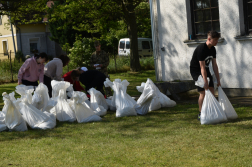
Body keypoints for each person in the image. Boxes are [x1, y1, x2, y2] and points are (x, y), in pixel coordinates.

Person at [189, 31, 221, 120]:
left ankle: (212, 111)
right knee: (203, 92)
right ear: (209, 39)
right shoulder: (201, 48)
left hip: (205, 69)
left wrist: (218, 80)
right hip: (196, 70)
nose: (217, 42)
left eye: (217, 40)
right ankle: (201, 113)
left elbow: (214, 65)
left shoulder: (213, 49)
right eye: (215, 40)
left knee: (211, 91)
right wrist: (205, 82)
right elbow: (201, 67)